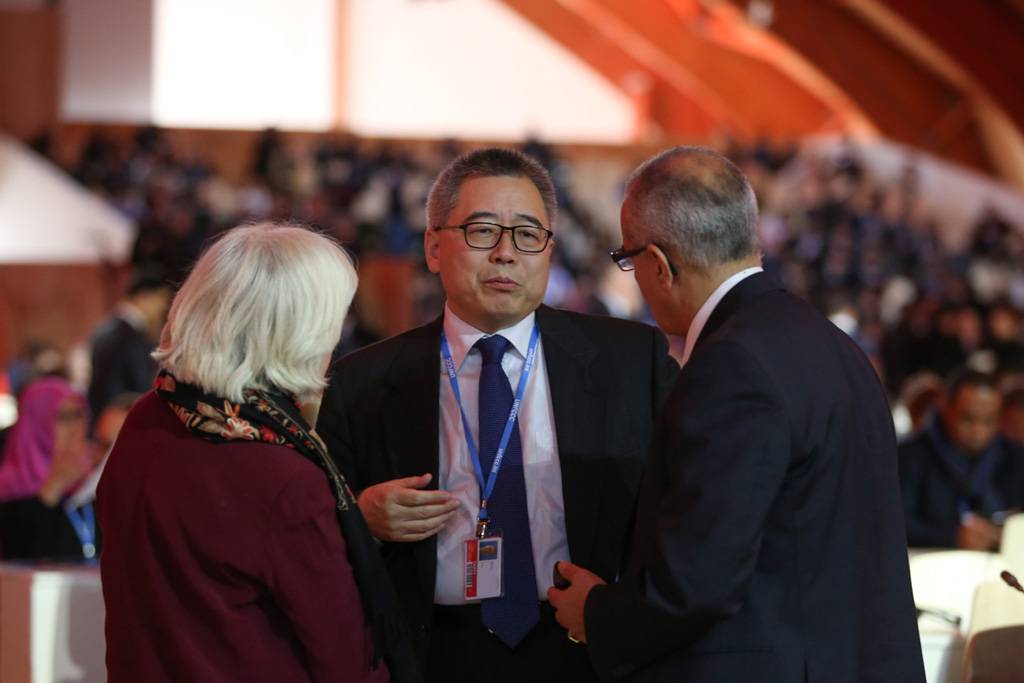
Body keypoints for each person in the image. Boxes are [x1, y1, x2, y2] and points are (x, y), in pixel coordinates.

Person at [549, 146, 925, 682]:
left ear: (658, 264)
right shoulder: (830, 342)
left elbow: (696, 578)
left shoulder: (733, 363)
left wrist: (596, 613)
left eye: (628, 260)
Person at [317, 148, 678, 683]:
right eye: (483, 231)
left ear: (549, 251)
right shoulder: (359, 383)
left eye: (528, 235)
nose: (507, 253)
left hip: (584, 647)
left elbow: (686, 508)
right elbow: (307, 542)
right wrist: (362, 519)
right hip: (430, 651)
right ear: (433, 247)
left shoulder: (631, 362)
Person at [97, 222, 419, 682]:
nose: (336, 338)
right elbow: (349, 660)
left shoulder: (149, 414)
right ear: (300, 333)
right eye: (334, 320)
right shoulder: (281, 475)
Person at [899, 369, 1024, 550]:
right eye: (968, 419)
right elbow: (895, 525)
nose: (978, 431)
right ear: (945, 407)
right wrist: (952, 537)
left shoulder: (1014, 458)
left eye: (989, 420)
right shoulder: (910, 457)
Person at [0, 375, 98, 560]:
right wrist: (54, 486)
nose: (76, 427)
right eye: (63, 417)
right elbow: (21, 554)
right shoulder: (9, 491)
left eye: (79, 414)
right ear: (37, 423)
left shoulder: (90, 481)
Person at [87, 267, 173, 424]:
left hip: (103, 424)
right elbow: (141, 387)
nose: (163, 309)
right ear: (143, 297)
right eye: (161, 299)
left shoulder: (105, 330)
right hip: (124, 424)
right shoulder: (130, 338)